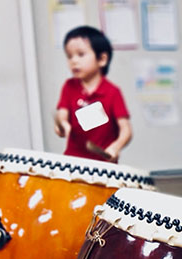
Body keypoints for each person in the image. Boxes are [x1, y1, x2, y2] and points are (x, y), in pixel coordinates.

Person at [54, 26, 131, 163]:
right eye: (69, 56)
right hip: (73, 161)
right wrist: (62, 124)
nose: (74, 61)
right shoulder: (69, 86)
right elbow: (62, 113)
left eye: (81, 54)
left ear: (102, 59)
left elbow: (126, 130)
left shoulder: (112, 92)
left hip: (104, 165)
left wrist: (115, 147)